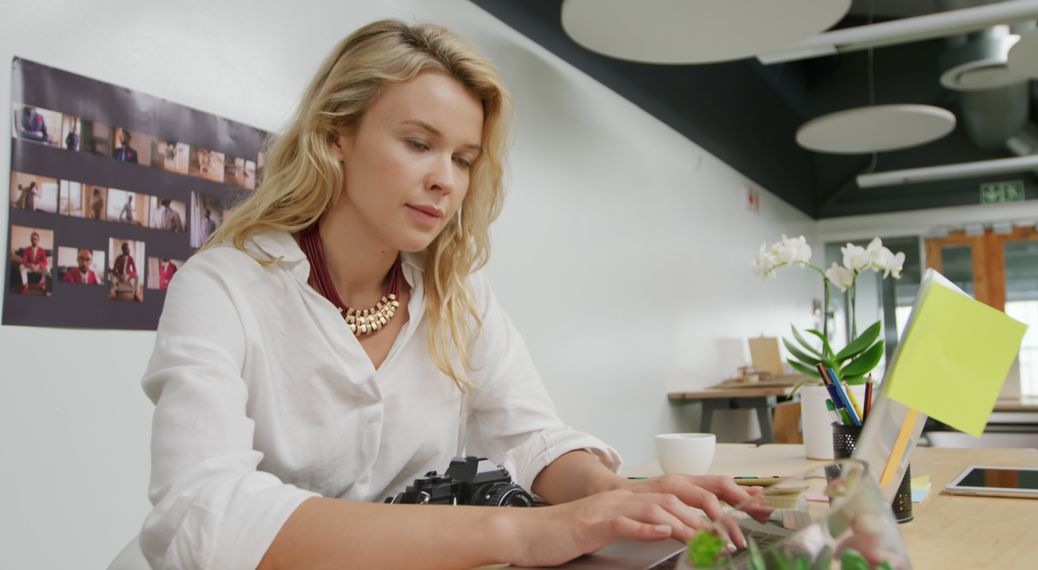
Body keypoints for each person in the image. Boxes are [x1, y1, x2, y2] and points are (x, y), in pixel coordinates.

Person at [139, 20, 769, 570]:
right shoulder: (222, 286)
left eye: (464, 159)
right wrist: (520, 530)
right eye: (418, 144)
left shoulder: (456, 293)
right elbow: (203, 515)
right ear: (337, 135)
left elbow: (528, 437)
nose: (445, 180)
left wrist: (614, 494)